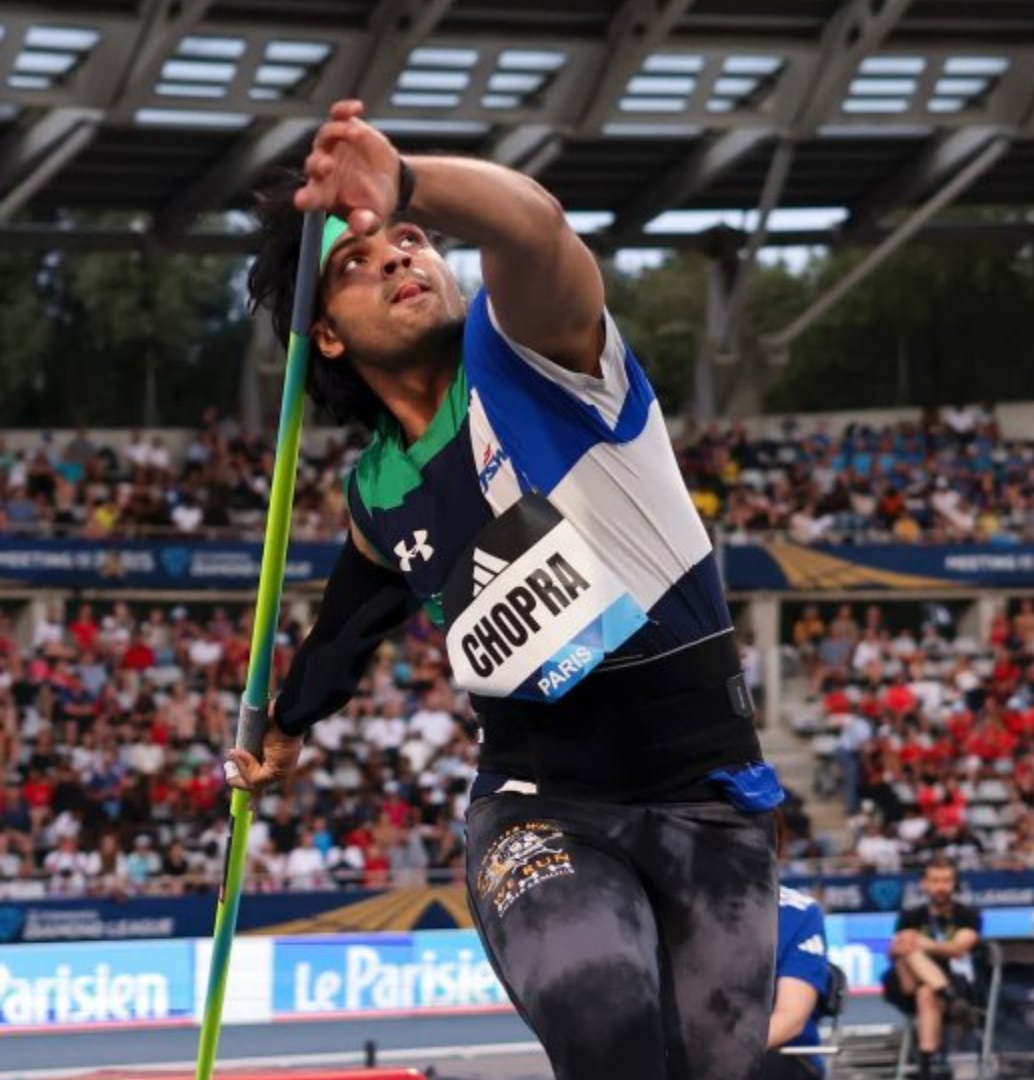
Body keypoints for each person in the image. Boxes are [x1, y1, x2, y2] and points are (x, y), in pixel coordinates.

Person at [226, 98, 779, 1080]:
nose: (402, 255)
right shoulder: (377, 492)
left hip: (711, 799)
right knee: (609, 1032)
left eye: (410, 241)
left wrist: (405, 183)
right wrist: (280, 729)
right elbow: (346, 630)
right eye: (361, 260)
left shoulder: (533, 352)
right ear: (326, 337)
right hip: (541, 802)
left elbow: (532, 226)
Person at [882, 855, 982, 1080]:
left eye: (946, 881)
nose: (941, 887)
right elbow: (894, 951)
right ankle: (947, 995)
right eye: (935, 881)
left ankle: (925, 1068)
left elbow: (959, 947)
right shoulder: (910, 916)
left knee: (927, 992)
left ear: (954, 884)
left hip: (957, 982)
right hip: (907, 983)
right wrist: (903, 945)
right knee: (907, 949)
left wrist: (922, 943)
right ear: (924, 884)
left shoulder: (967, 915)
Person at [759, 885, 831, 1080]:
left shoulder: (798, 912)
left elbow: (791, 1019)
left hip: (778, 1053)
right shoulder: (676, 904)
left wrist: (727, 1053)